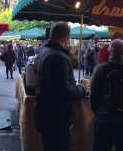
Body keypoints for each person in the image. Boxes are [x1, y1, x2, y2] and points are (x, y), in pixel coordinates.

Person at [34, 22, 88, 151]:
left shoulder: (44, 51)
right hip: (56, 119)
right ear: (66, 37)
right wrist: (82, 88)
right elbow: (63, 91)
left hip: (47, 114)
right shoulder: (57, 57)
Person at [90, 38, 123, 151]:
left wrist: (100, 112)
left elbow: (93, 97)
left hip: (105, 117)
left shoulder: (100, 69)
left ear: (110, 52)